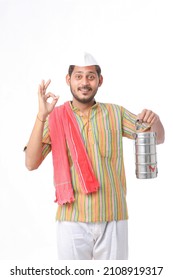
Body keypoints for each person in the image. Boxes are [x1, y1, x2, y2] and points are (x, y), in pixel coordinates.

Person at [25, 52, 165, 260]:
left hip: (113, 217)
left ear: (100, 80)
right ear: (68, 80)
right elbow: (31, 163)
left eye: (90, 76)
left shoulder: (115, 113)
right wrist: (42, 116)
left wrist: (155, 119)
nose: (84, 82)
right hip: (71, 218)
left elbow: (158, 138)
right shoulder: (56, 118)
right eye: (78, 76)